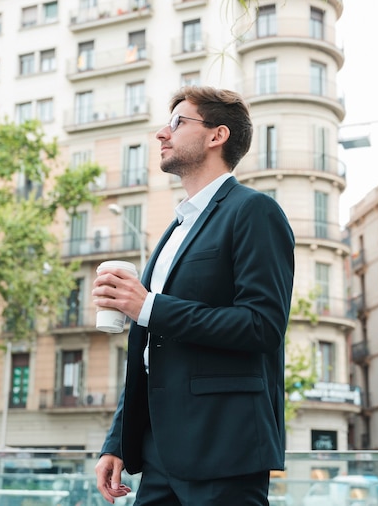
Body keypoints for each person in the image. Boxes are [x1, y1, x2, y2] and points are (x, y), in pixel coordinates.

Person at [92, 86, 295, 505]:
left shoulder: (254, 211)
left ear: (216, 135)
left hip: (224, 449)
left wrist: (146, 305)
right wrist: (117, 440)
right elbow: (152, 351)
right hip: (158, 451)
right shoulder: (174, 230)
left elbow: (262, 326)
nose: (162, 135)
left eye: (177, 123)